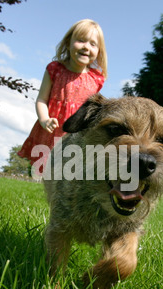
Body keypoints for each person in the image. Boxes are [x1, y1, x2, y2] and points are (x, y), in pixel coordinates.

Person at [17, 19, 107, 174]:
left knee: (69, 171)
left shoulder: (96, 79)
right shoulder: (55, 69)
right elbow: (41, 99)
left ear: (99, 51)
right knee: (43, 169)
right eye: (81, 40)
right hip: (52, 128)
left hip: (76, 132)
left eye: (93, 44)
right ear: (68, 42)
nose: (86, 47)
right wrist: (44, 119)